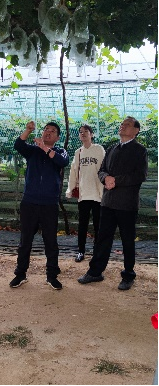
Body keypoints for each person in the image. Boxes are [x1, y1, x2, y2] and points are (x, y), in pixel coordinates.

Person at [77, 116, 148, 291]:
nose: (122, 126)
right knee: (102, 239)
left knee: (127, 241)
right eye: (122, 124)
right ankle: (95, 272)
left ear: (136, 130)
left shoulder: (140, 150)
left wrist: (115, 180)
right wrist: (105, 178)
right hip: (107, 202)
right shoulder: (112, 148)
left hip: (126, 204)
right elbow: (101, 171)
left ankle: (128, 275)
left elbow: (140, 175)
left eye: (127, 125)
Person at [9, 121, 69, 290]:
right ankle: (20, 274)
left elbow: (62, 162)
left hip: (49, 204)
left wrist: (44, 148)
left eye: (52, 131)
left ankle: (52, 276)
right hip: (29, 202)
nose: (48, 132)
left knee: (51, 241)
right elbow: (18, 145)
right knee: (25, 240)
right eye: (46, 130)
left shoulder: (60, 151)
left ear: (57, 137)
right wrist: (28, 130)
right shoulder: (33, 151)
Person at [65, 124, 105, 262]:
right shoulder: (78, 152)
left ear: (91, 134)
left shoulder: (99, 149)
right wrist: (70, 189)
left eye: (86, 131)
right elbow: (73, 172)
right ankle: (81, 251)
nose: (83, 133)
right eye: (80, 132)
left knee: (98, 225)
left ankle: (97, 251)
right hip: (84, 194)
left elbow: (105, 168)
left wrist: (104, 190)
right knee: (82, 224)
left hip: (98, 194)